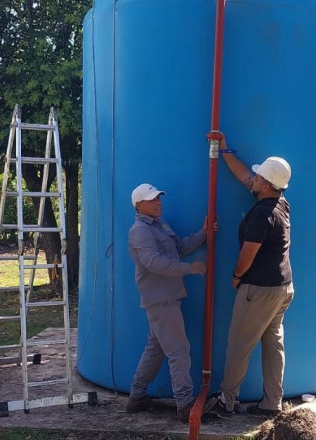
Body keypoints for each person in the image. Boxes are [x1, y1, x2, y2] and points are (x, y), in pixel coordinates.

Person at [204, 132, 294, 418]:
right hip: (283, 288)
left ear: (266, 185)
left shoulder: (261, 215)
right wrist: (225, 150)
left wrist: (236, 275)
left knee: (239, 345)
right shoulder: (280, 203)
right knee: (273, 344)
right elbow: (245, 176)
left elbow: (248, 253)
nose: (251, 179)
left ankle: (226, 401)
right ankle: (271, 402)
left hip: (259, 289)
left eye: (257, 177)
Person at [126, 183, 208, 421]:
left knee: (155, 349)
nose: (158, 203)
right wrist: (189, 268)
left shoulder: (159, 224)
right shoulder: (140, 230)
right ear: (139, 205)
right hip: (160, 299)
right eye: (152, 200)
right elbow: (154, 263)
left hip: (167, 297)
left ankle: (137, 396)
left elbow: (179, 247)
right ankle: (184, 406)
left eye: (159, 198)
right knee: (179, 351)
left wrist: (203, 234)